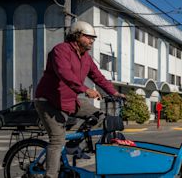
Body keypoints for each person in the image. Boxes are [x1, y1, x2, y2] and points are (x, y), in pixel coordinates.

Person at [34, 21, 124, 178]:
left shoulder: (86, 58)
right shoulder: (61, 50)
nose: (92, 41)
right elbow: (64, 73)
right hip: (48, 101)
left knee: (101, 117)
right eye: (88, 37)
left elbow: (98, 77)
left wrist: (114, 93)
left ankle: (73, 146)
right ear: (77, 36)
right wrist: (85, 89)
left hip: (69, 100)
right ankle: (50, 175)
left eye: (93, 38)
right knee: (57, 141)